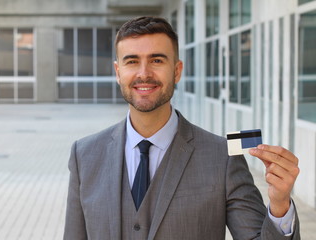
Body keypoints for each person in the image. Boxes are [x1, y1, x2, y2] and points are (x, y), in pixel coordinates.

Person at [64, 16, 300, 240]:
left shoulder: (222, 158)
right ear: (118, 72)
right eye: (132, 61)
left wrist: (280, 206)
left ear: (177, 70)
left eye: (157, 60)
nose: (144, 73)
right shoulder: (84, 155)